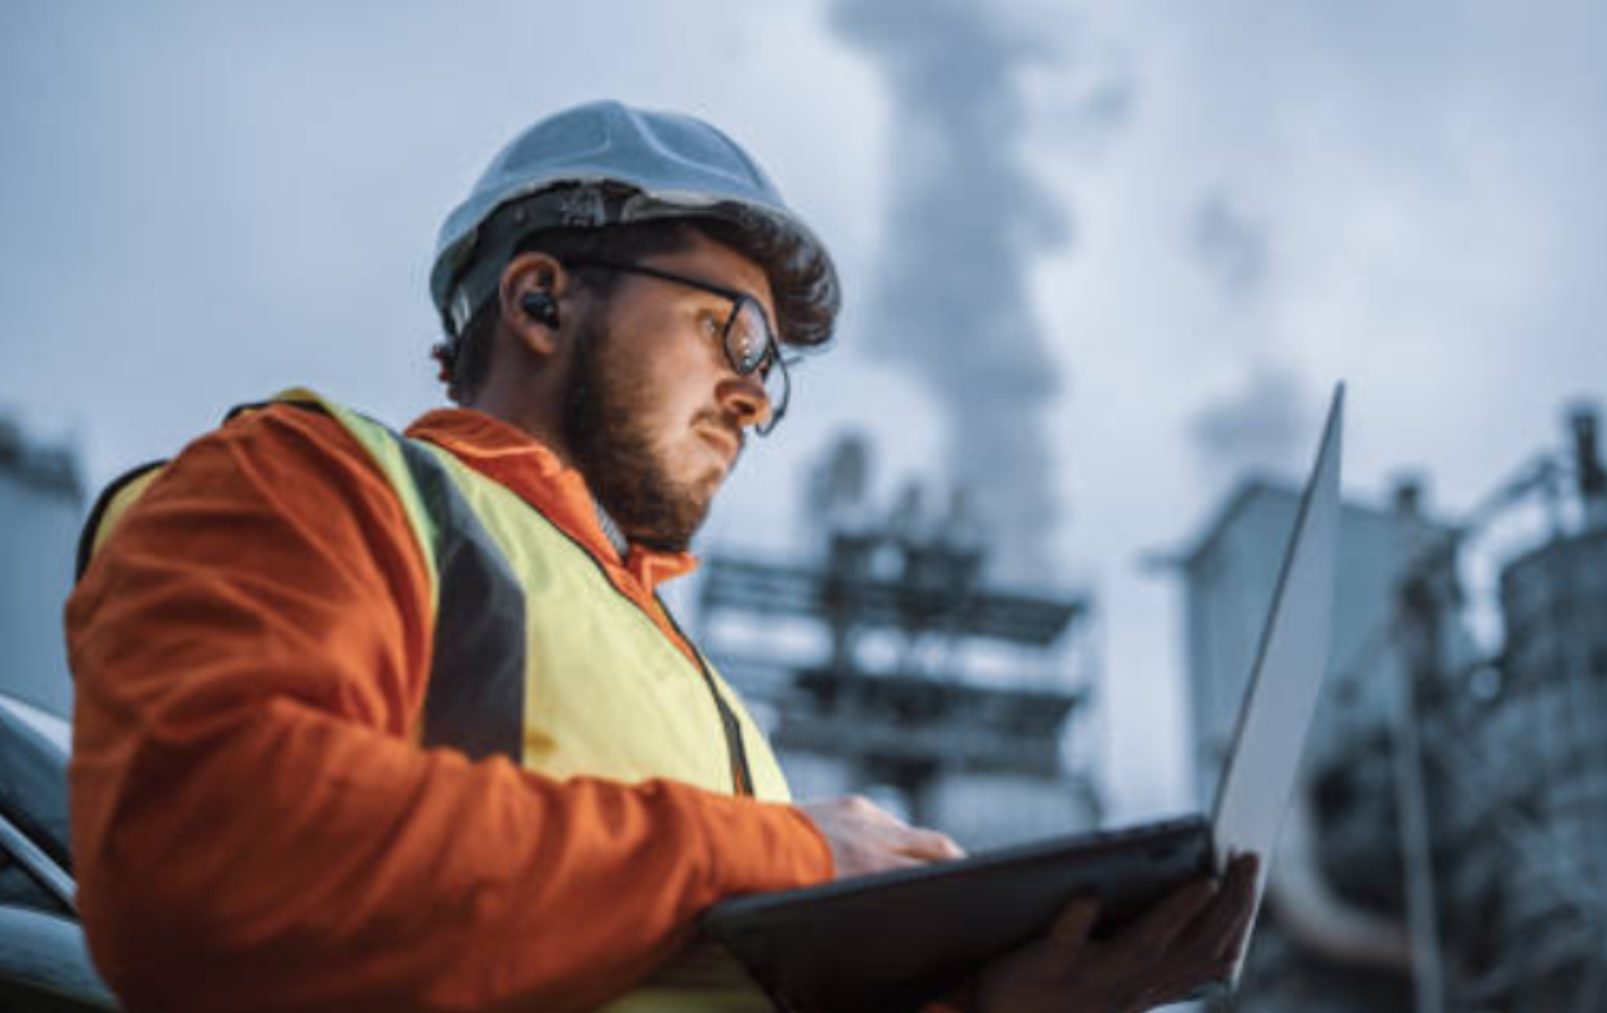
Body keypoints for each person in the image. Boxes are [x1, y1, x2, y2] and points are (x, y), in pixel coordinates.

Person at [65, 99, 1257, 1013]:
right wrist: (787, 852)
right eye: (729, 328)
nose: (753, 395)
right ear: (542, 300)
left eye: (772, 367)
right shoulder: (320, 480)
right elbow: (213, 854)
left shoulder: (705, 698)